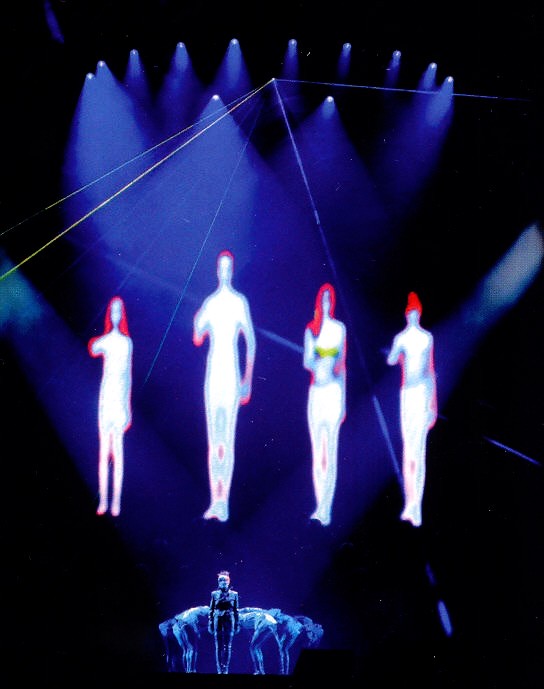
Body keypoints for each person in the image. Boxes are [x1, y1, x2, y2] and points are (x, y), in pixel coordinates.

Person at [193, 250, 256, 522]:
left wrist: (247, 381)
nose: (225, 270)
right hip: (213, 375)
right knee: (214, 439)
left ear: (233, 270)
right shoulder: (210, 302)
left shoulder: (239, 302)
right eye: (221, 266)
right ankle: (215, 499)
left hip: (231, 374)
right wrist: (197, 321)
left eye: (229, 266)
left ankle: (224, 500)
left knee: (226, 439)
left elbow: (251, 342)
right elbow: (197, 337)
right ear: (217, 270)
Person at [387, 291, 437, 527]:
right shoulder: (402, 338)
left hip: (420, 393)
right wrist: (396, 353)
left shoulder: (426, 338)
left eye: (416, 311)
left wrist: (431, 405)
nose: (413, 315)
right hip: (406, 394)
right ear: (408, 315)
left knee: (418, 450)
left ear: (419, 313)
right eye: (410, 312)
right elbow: (391, 359)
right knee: (409, 449)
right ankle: (410, 503)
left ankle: (417, 505)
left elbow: (430, 371)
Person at [303, 283, 346, 526]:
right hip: (315, 393)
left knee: (329, 451)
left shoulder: (339, 329)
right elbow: (308, 361)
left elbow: (341, 364)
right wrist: (322, 353)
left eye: (330, 299)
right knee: (317, 452)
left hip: (333, 392)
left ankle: (326, 507)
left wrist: (343, 401)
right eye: (324, 299)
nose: (327, 303)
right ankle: (319, 505)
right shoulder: (311, 329)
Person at [88, 296, 133, 517]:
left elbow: (128, 375)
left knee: (118, 451)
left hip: (118, 398)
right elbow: (93, 348)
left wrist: (127, 406)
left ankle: (116, 501)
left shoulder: (126, 343)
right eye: (112, 310)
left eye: (119, 310)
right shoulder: (106, 340)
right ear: (110, 314)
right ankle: (104, 500)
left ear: (122, 315)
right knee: (104, 451)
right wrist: (100, 339)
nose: (116, 314)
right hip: (105, 398)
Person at [208, 570, 240, 674]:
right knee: (218, 645)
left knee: (228, 645)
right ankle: (219, 670)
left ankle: (225, 669)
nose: (222, 582)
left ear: (229, 581)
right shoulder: (214, 594)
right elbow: (211, 609)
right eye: (220, 580)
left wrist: (237, 624)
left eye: (225, 580)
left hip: (230, 620)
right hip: (217, 619)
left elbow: (236, 610)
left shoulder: (234, 594)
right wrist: (210, 623)